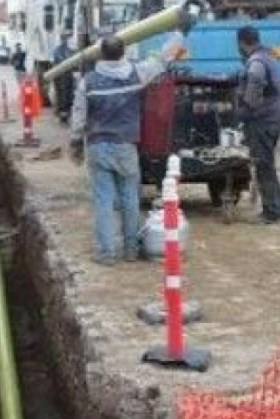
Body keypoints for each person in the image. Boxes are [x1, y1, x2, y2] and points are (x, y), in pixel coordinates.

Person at [69, 34, 184, 266]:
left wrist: (75, 143)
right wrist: (181, 33)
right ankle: (131, 250)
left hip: (98, 146)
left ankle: (106, 253)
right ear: (124, 53)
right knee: (130, 197)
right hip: (126, 146)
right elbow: (162, 59)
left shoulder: (88, 82)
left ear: (100, 54)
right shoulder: (137, 74)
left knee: (103, 201)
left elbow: (79, 117)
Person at [235, 26, 280, 224]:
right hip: (273, 120)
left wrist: (245, 110)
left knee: (263, 166)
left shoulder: (256, 62)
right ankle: (279, 208)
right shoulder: (268, 57)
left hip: (262, 122)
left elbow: (255, 84)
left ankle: (272, 212)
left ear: (242, 42)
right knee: (268, 165)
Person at [51, 32, 76, 124]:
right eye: (65, 38)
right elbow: (61, 61)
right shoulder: (59, 50)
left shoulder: (68, 50)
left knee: (67, 95)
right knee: (63, 96)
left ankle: (65, 114)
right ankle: (63, 115)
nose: (66, 39)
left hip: (67, 76)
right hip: (61, 77)